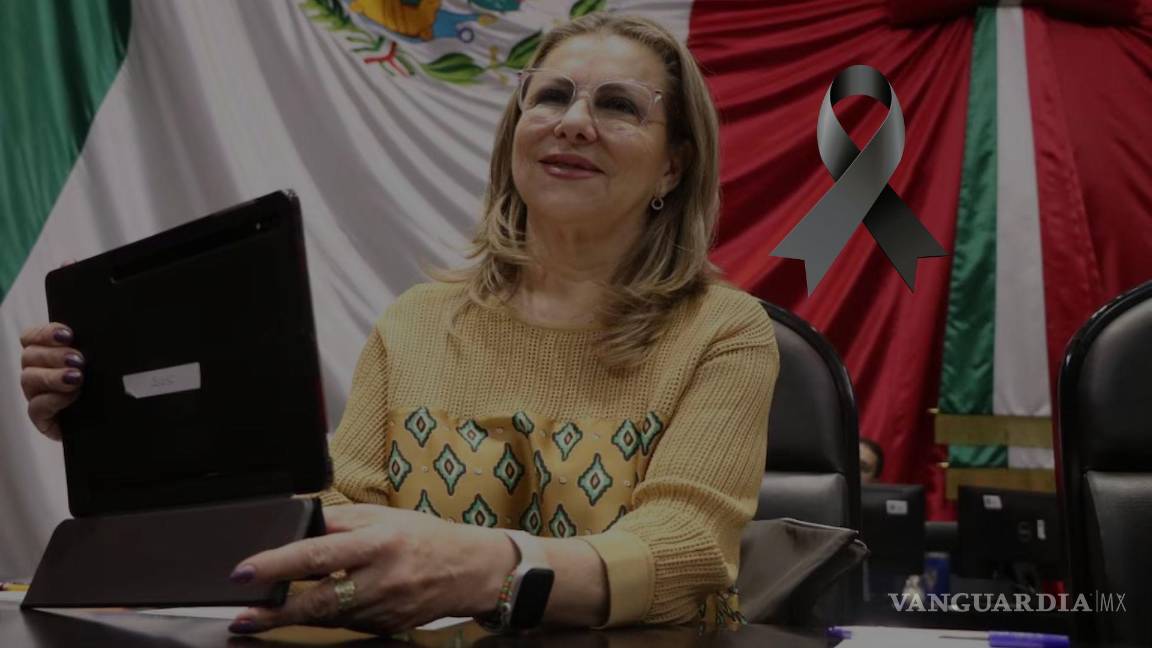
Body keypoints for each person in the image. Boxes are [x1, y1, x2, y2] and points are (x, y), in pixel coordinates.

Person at [18, 14, 779, 635]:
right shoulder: (416, 322)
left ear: (673, 166)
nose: (574, 123)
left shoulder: (724, 331)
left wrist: (489, 569)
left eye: (618, 106)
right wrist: (123, 428)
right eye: (550, 97)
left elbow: (687, 553)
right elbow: (336, 517)